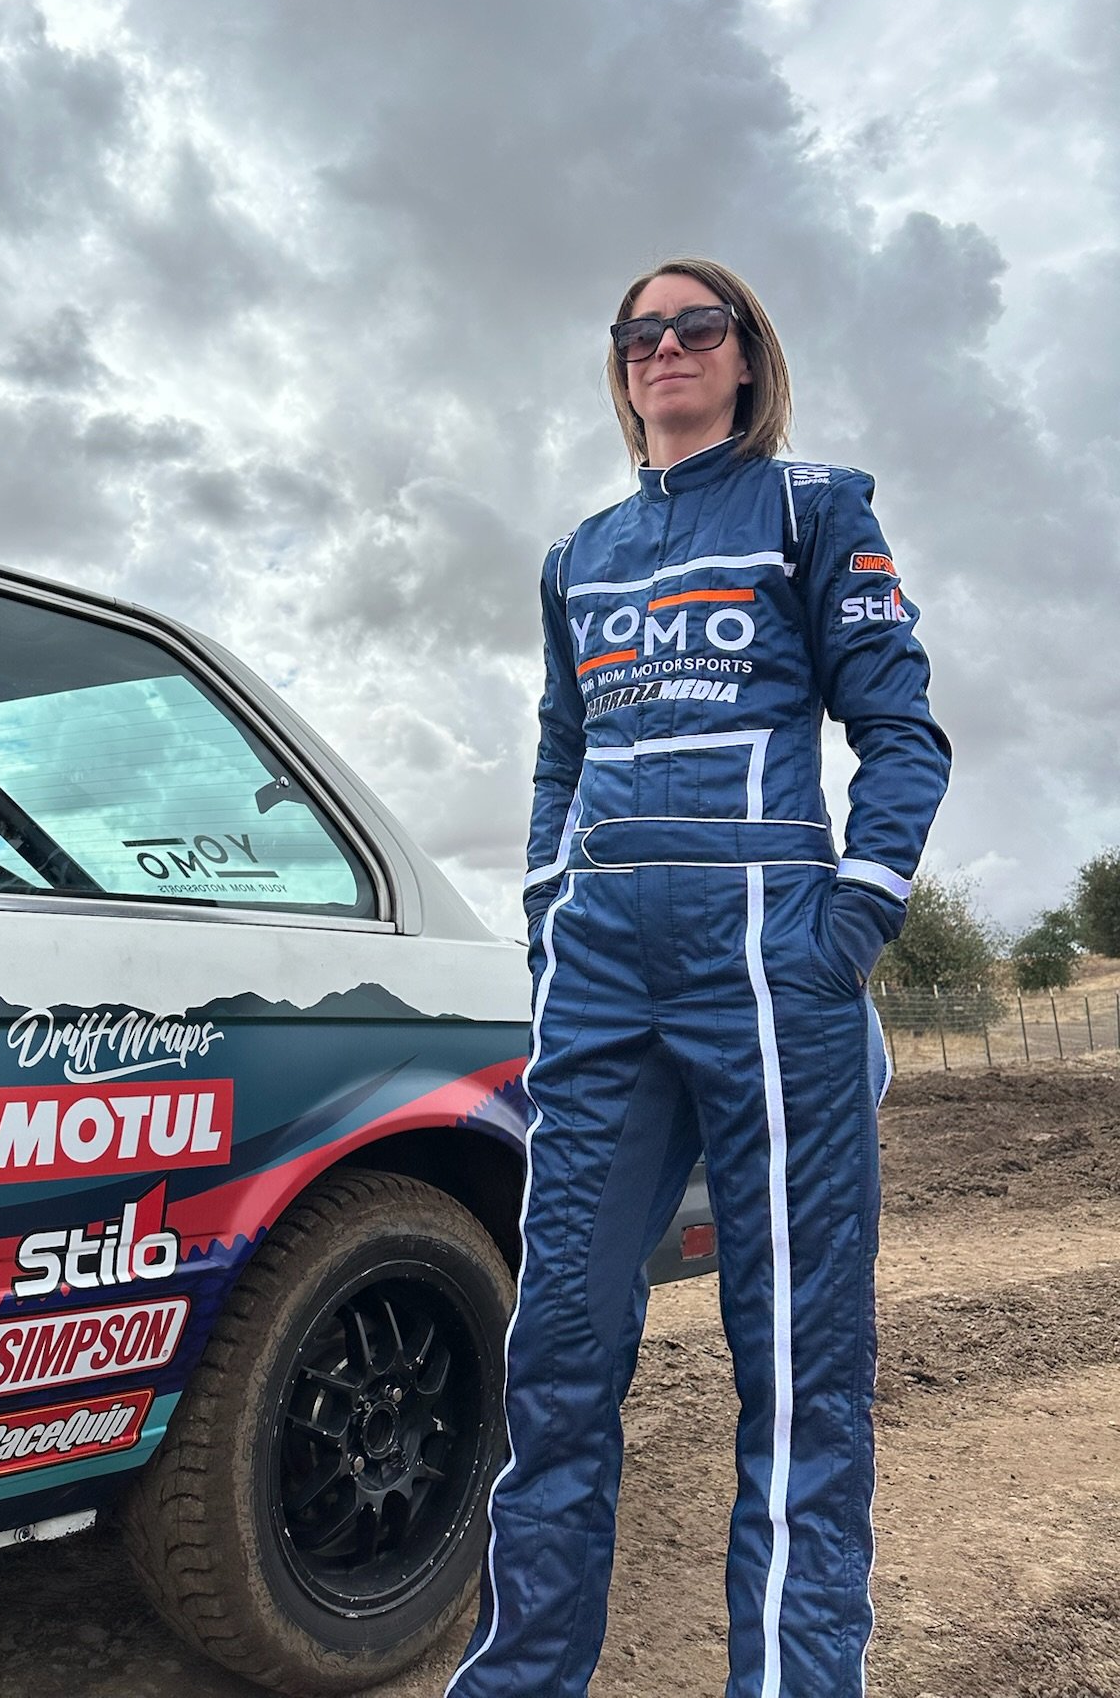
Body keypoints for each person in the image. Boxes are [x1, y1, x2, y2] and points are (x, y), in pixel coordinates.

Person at [446, 258, 951, 1698]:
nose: (666, 346)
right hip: (602, 975)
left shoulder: (814, 508)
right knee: (555, 1352)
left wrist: (848, 921)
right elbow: (560, 754)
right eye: (639, 332)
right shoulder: (577, 556)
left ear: (744, 357)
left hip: (769, 962)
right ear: (620, 370)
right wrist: (549, 906)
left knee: (797, 1373)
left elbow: (902, 733)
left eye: (697, 326)